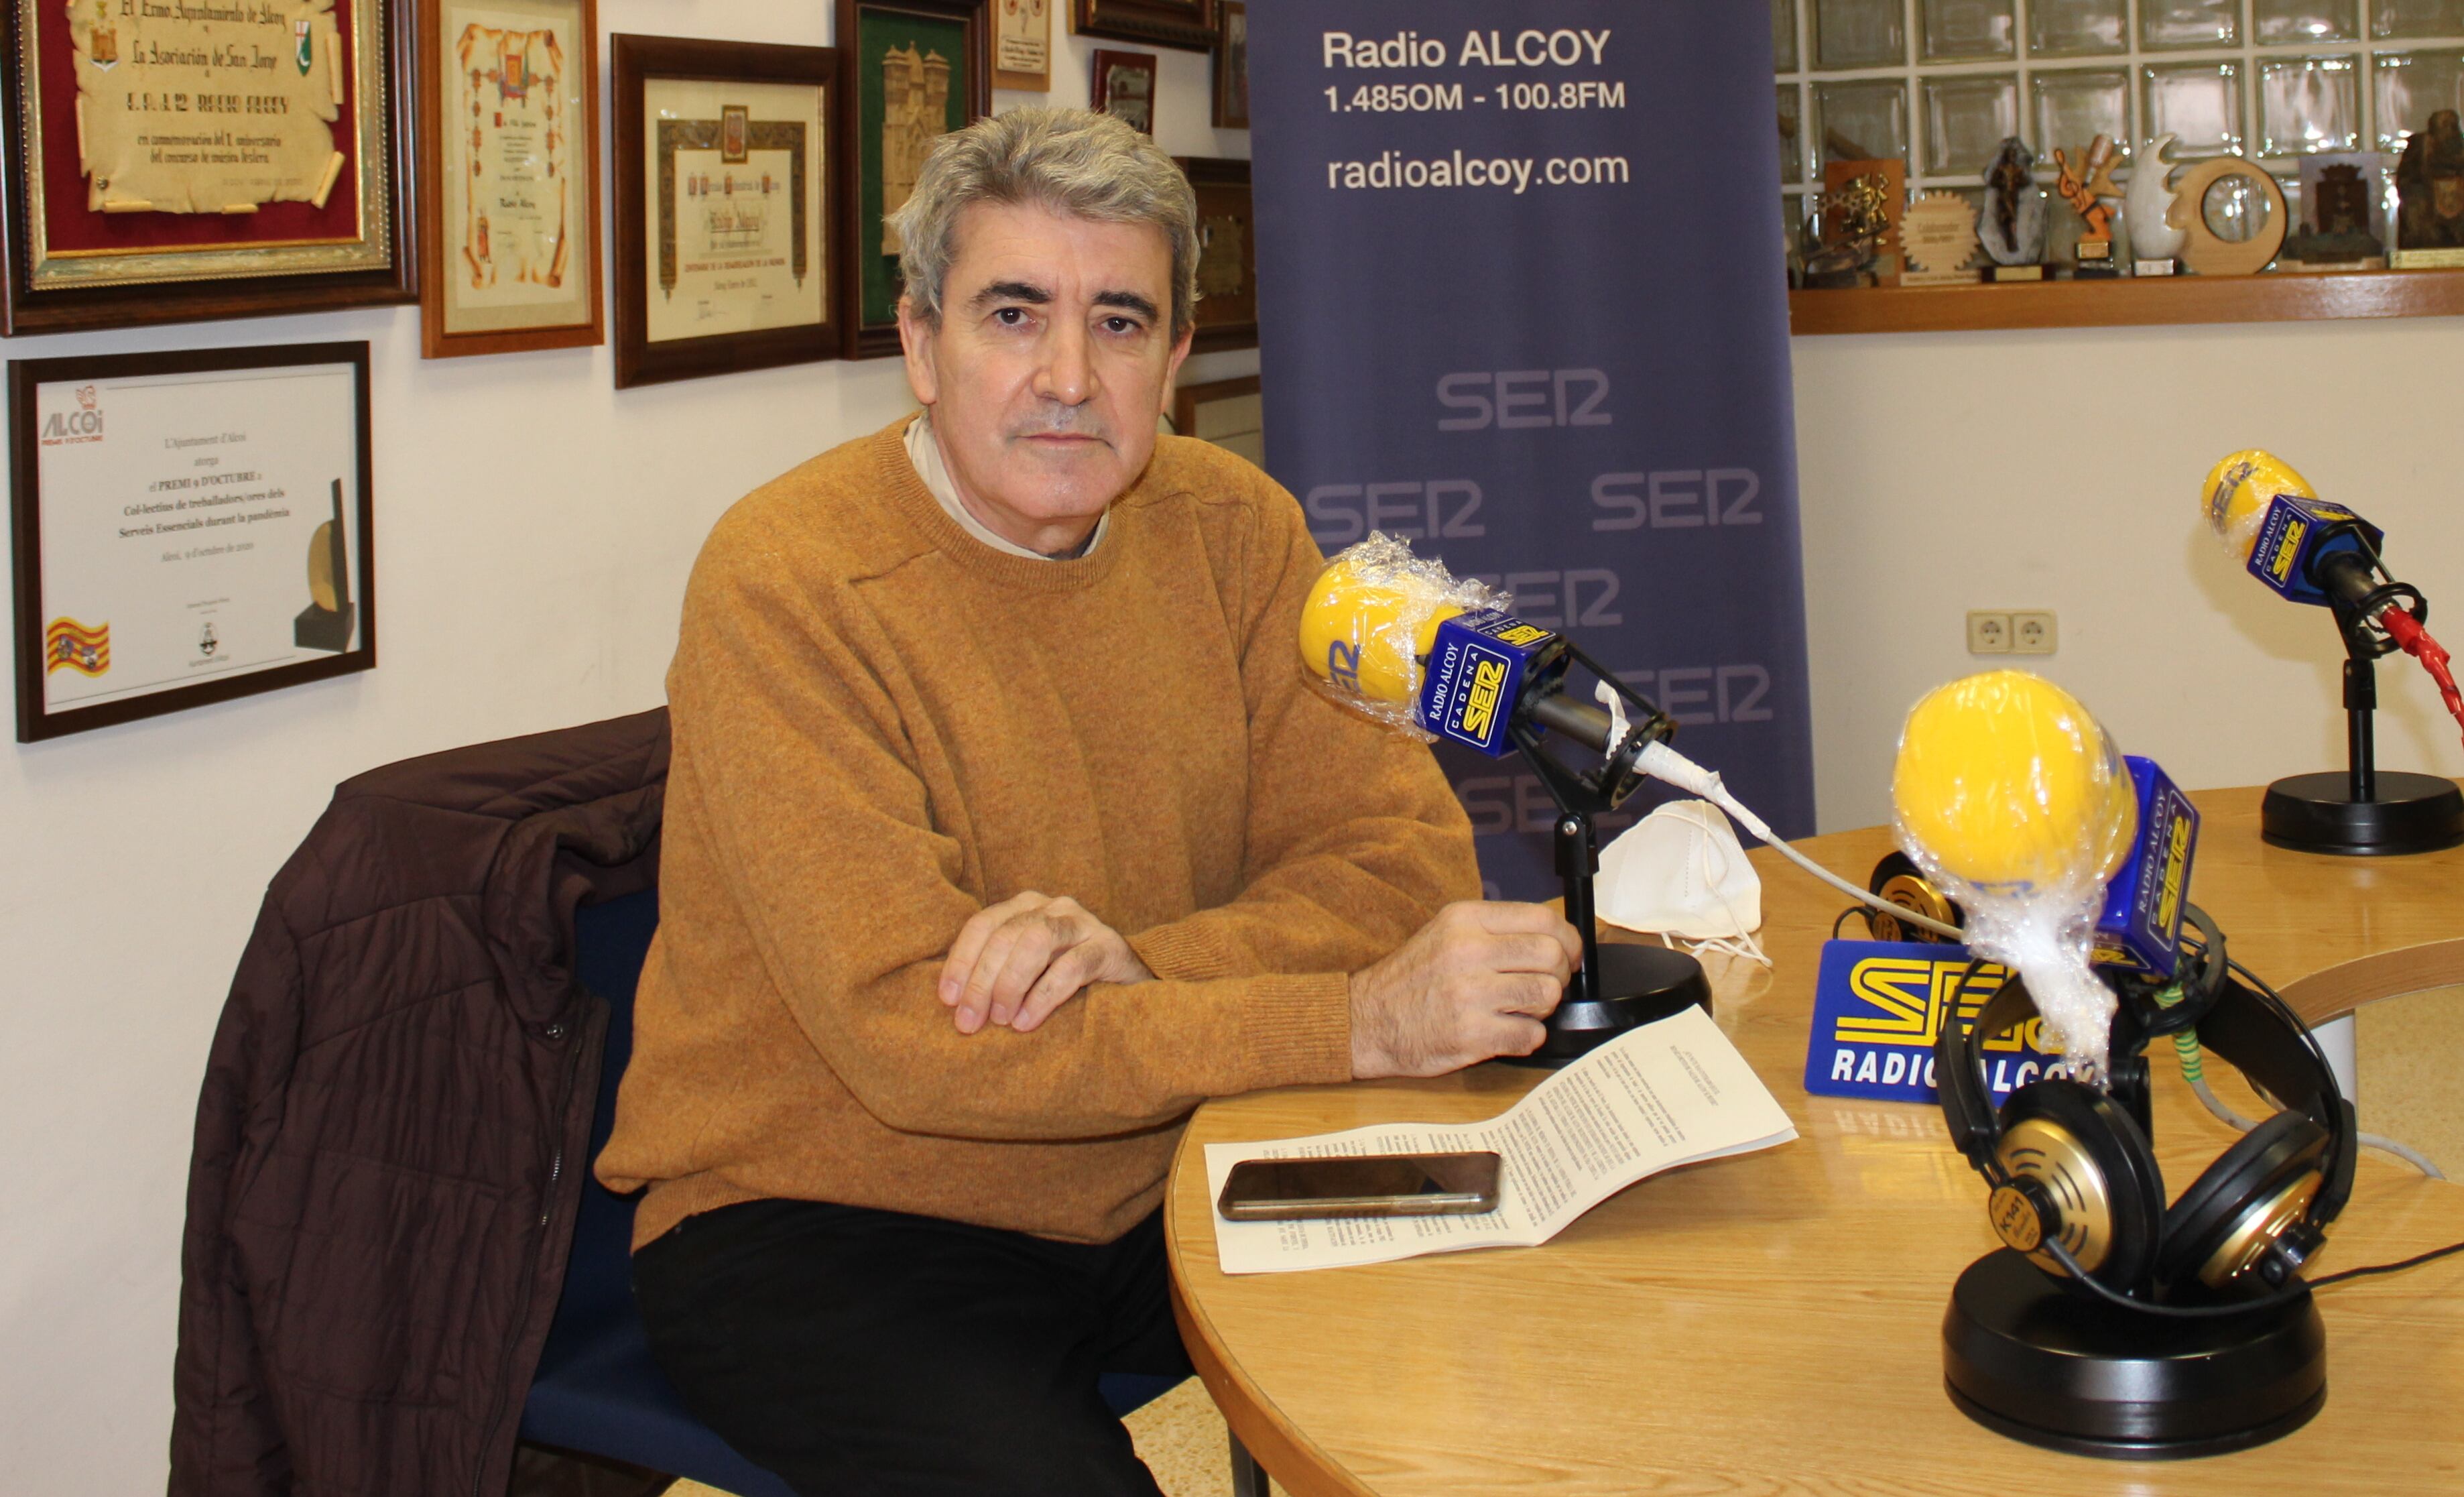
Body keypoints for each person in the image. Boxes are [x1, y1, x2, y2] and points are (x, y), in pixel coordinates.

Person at [597, 107, 1579, 1497]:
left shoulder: (1232, 526)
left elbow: (1401, 869)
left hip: (1158, 1156)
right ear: (920, 341)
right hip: (833, 1213)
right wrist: (1347, 1017)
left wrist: (1139, 965)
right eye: (1013, 313)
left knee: (1510, 1360)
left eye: (1118, 322)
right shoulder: (786, 580)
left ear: (1175, 358)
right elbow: (916, 1042)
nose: (1067, 376)